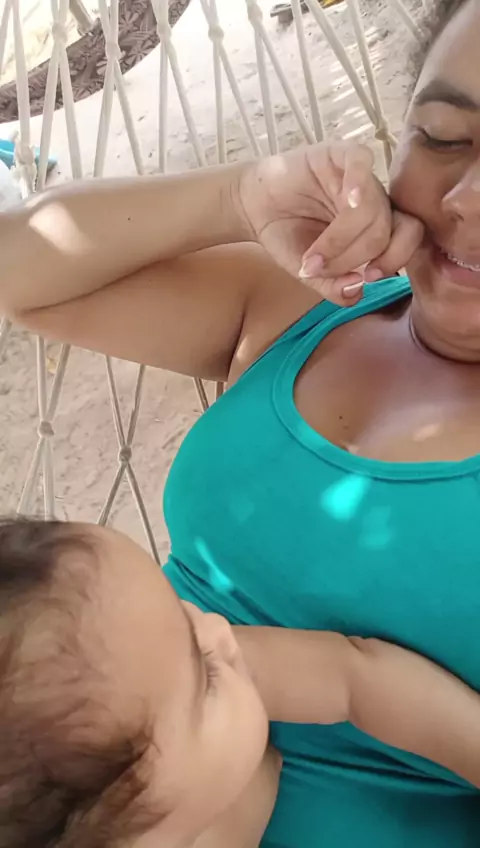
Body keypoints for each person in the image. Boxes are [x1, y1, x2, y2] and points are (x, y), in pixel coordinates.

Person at [0, 0, 479, 843]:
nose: (468, 196)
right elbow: (24, 276)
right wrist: (236, 195)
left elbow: (358, 682)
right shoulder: (305, 302)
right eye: (444, 136)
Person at [1, 516, 480, 848]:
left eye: (183, 611)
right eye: (206, 673)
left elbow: (354, 675)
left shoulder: (156, 672)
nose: (217, 628)